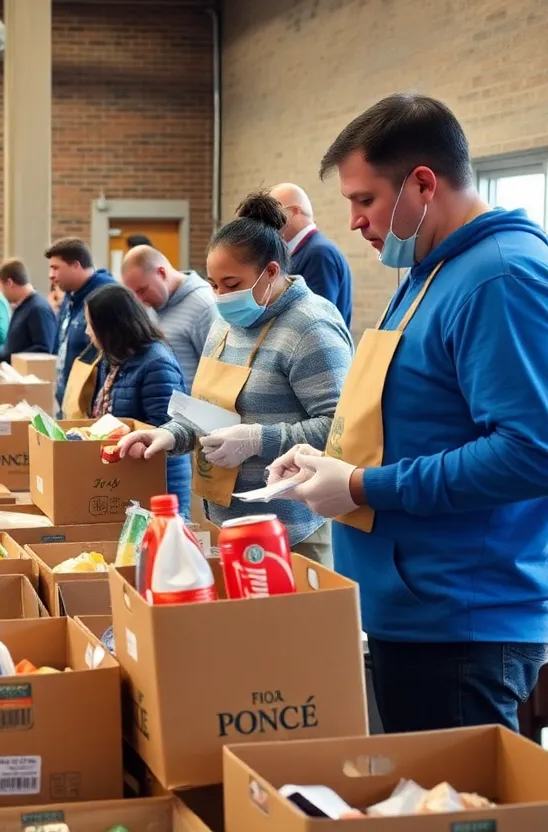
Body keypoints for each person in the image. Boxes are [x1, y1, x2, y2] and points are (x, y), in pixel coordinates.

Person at [270, 93, 548, 734]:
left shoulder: (498, 278)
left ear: (422, 183)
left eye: (365, 200)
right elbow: (419, 412)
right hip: (408, 607)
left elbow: (529, 451)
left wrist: (364, 485)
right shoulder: (430, 273)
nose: (355, 222)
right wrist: (329, 459)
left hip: (459, 623)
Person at [116, 192, 353, 566]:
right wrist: (170, 434)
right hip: (224, 520)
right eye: (213, 284)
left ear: (271, 272)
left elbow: (341, 430)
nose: (221, 296)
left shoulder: (311, 328)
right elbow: (211, 412)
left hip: (289, 533)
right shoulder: (224, 323)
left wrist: (259, 439)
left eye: (231, 283)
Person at [84, 284, 189, 515]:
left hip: (159, 486)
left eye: (91, 325)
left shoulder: (156, 364)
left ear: (111, 327)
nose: (87, 332)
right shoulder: (113, 358)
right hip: (125, 479)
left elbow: (168, 430)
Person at [121, 245, 218, 388]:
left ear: (161, 273)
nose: (140, 301)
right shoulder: (152, 306)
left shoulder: (204, 305)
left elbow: (217, 375)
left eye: (142, 290)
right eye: (134, 294)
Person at [271, 182, 354, 328]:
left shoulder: (320, 254)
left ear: (294, 212)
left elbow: (317, 322)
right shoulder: (305, 251)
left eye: (272, 213)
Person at [47, 237, 115, 416]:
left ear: (76, 265)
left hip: (90, 406)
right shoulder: (70, 296)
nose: (51, 275)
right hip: (68, 400)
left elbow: (109, 355)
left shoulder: (104, 296)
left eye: (55, 268)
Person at [0, 258, 57, 365]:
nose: (1, 292)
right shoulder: (22, 306)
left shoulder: (37, 308)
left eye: (0, 287)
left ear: (9, 283)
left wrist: (0, 358)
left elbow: (43, 350)